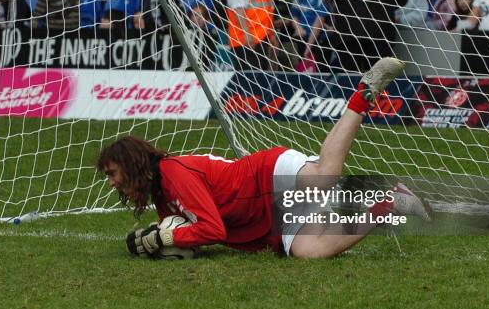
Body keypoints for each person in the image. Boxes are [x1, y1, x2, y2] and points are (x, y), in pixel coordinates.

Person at [96, 57, 434, 259]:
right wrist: (153, 240)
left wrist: (166, 237)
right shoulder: (162, 194)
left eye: (113, 173)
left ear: (132, 165)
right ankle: (387, 207)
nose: (112, 183)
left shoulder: (172, 173)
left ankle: (362, 94)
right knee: (310, 253)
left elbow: (210, 228)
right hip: (264, 218)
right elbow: (186, 232)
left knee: (324, 176)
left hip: (265, 176)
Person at [225, 0, 276, 71]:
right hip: (246, 40)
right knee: (249, 79)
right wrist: (247, 34)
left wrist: (270, 34)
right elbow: (238, 8)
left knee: (260, 78)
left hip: (261, 37)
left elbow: (266, 9)